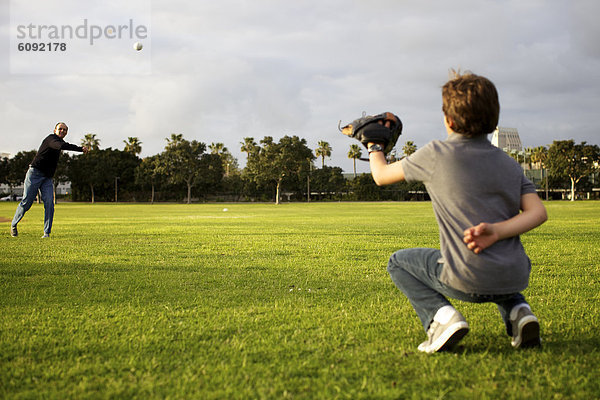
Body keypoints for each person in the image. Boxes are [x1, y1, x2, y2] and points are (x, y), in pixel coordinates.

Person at [367, 70, 547, 353]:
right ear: (493, 120)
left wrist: (374, 145)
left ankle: (442, 318)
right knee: (499, 271)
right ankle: (519, 312)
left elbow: (380, 175)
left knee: (398, 262)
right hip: (514, 275)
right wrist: (498, 231)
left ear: (449, 121)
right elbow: (538, 213)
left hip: (466, 277)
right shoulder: (509, 164)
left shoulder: (437, 154)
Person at [11, 122, 88, 238]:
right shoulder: (51, 139)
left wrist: (80, 149)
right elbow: (61, 146)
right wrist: (80, 149)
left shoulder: (60, 142)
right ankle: (13, 224)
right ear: (55, 130)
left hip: (47, 177)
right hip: (34, 174)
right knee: (27, 201)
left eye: (65, 130)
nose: (62, 131)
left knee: (49, 204)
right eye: (60, 129)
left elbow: (64, 145)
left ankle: (46, 233)